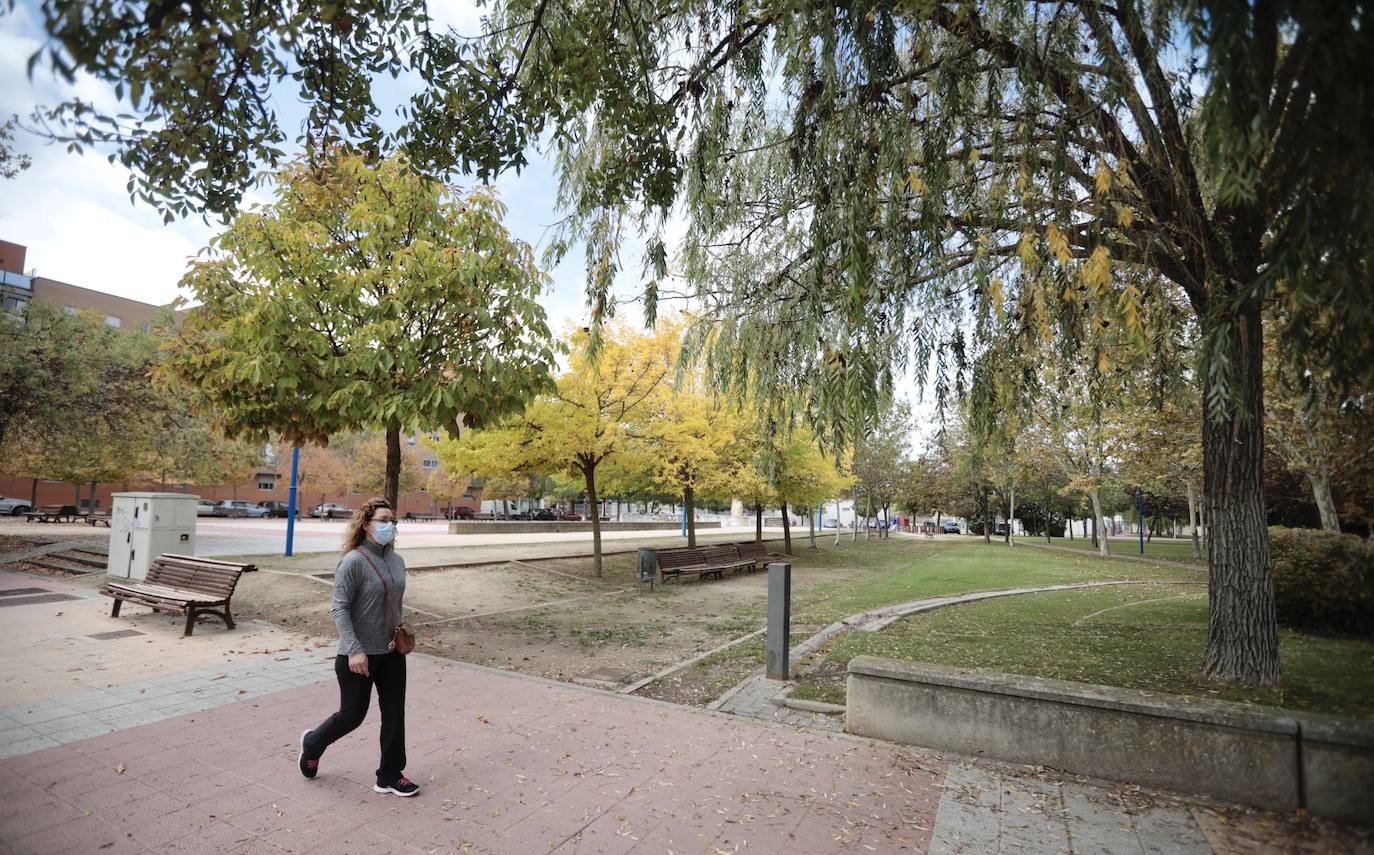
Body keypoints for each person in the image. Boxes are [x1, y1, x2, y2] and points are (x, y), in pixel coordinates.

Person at [297, 498, 419, 796]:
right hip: (358, 656)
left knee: (394, 714)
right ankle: (313, 743)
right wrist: (354, 649)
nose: (390, 525)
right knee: (352, 715)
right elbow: (339, 609)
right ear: (365, 524)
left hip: (391, 652)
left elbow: (393, 603)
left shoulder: (397, 560)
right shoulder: (353, 561)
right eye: (383, 520)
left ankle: (390, 775)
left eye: (393, 520)